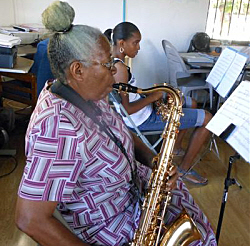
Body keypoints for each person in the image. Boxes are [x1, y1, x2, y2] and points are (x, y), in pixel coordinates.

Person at [15, 1, 217, 246]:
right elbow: (30, 220)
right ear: (78, 70)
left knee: (194, 220)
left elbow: (119, 134)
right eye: (108, 64)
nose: (115, 71)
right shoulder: (57, 127)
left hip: (132, 191)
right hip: (112, 223)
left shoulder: (87, 94)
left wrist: (156, 163)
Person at [104, 23, 213, 186]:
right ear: (121, 44)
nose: (138, 47)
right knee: (207, 118)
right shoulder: (120, 69)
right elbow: (127, 109)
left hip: (144, 110)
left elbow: (132, 94)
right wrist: (153, 97)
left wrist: (152, 94)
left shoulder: (117, 64)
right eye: (135, 42)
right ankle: (184, 169)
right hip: (142, 120)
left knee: (192, 102)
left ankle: (175, 148)